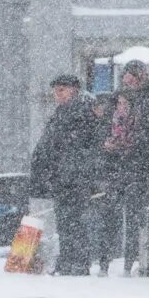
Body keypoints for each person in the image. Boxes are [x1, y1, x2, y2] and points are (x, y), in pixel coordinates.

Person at [28, 74, 99, 276]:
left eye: (61, 90)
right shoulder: (63, 112)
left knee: (74, 221)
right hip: (63, 176)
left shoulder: (81, 112)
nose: (57, 95)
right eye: (55, 91)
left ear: (73, 90)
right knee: (65, 220)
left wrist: (72, 168)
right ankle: (68, 260)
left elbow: (79, 146)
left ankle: (76, 262)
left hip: (74, 177)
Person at [102, 61, 149, 274]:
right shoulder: (115, 101)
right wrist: (109, 145)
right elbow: (105, 126)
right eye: (125, 79)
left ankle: (131, 261)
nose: (128, 83)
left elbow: (148, 133)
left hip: (137, 166)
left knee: (134, 214)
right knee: (110, 213)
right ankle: (105, 260)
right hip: (117, 165)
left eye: (132, 78)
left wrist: (130, 146)